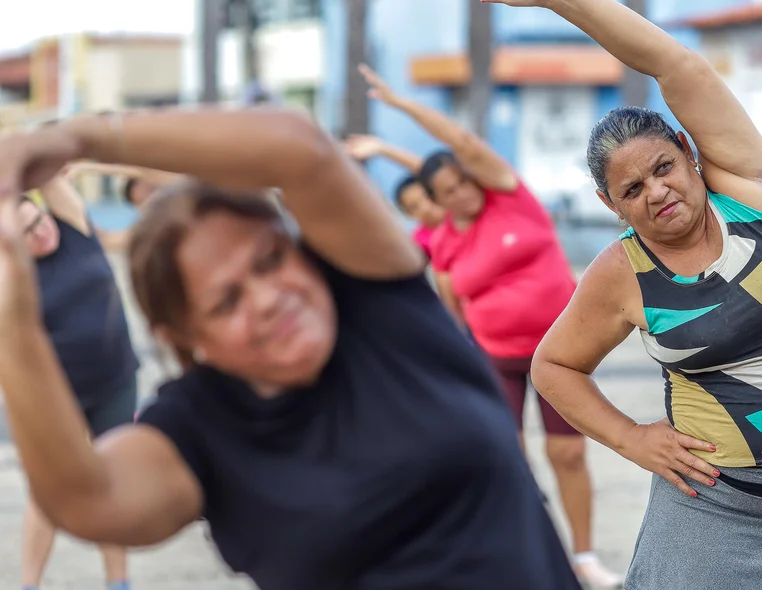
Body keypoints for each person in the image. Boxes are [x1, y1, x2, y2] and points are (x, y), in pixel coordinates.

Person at [0, 108, 580, 590]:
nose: (269, 299)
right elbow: (88, 499)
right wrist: (14, 325)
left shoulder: (381, 308)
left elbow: (302, 149)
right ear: (187, 339)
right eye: (226, 302)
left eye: (271, 260)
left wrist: (80, 136)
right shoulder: (201, 428)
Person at [486, 1, 762, 588]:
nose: (657, 191)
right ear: (613, 206)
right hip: (710, 510)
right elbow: (553, 366)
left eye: (664, 166)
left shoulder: (755, 193)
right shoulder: (623, 272)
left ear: (688, 151)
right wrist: (631, 438)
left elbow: (677, 64)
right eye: (632, 189)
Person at [356, 65, 620, 587]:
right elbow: (442, 300)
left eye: (461, 181)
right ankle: (529, 554)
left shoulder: (509, 196)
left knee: (566, 452)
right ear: (434, 202)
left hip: (559, 354)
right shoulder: (444, 238)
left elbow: (455, 145)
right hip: (496, 359)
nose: (459, 194)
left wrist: (397, 110)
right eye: (445, 192)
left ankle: (585, 558)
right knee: (507, 463)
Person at [16, 176, 137, 590]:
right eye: (27, 232)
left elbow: (47, 173)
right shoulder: (14, 272)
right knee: (47, 492)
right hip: (59, 397)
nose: (41, 231)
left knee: (112, 483)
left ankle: (118, 583)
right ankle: (29, 584)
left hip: (115, 381)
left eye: (39, 219)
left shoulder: (74, 226)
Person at [341, 135, 445, 258]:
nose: (426, 207)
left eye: (426, 196)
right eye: (414, 207)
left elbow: (429, 171)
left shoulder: (460, 212)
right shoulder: (419, 241)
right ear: (408, 214)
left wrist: (382, 149)